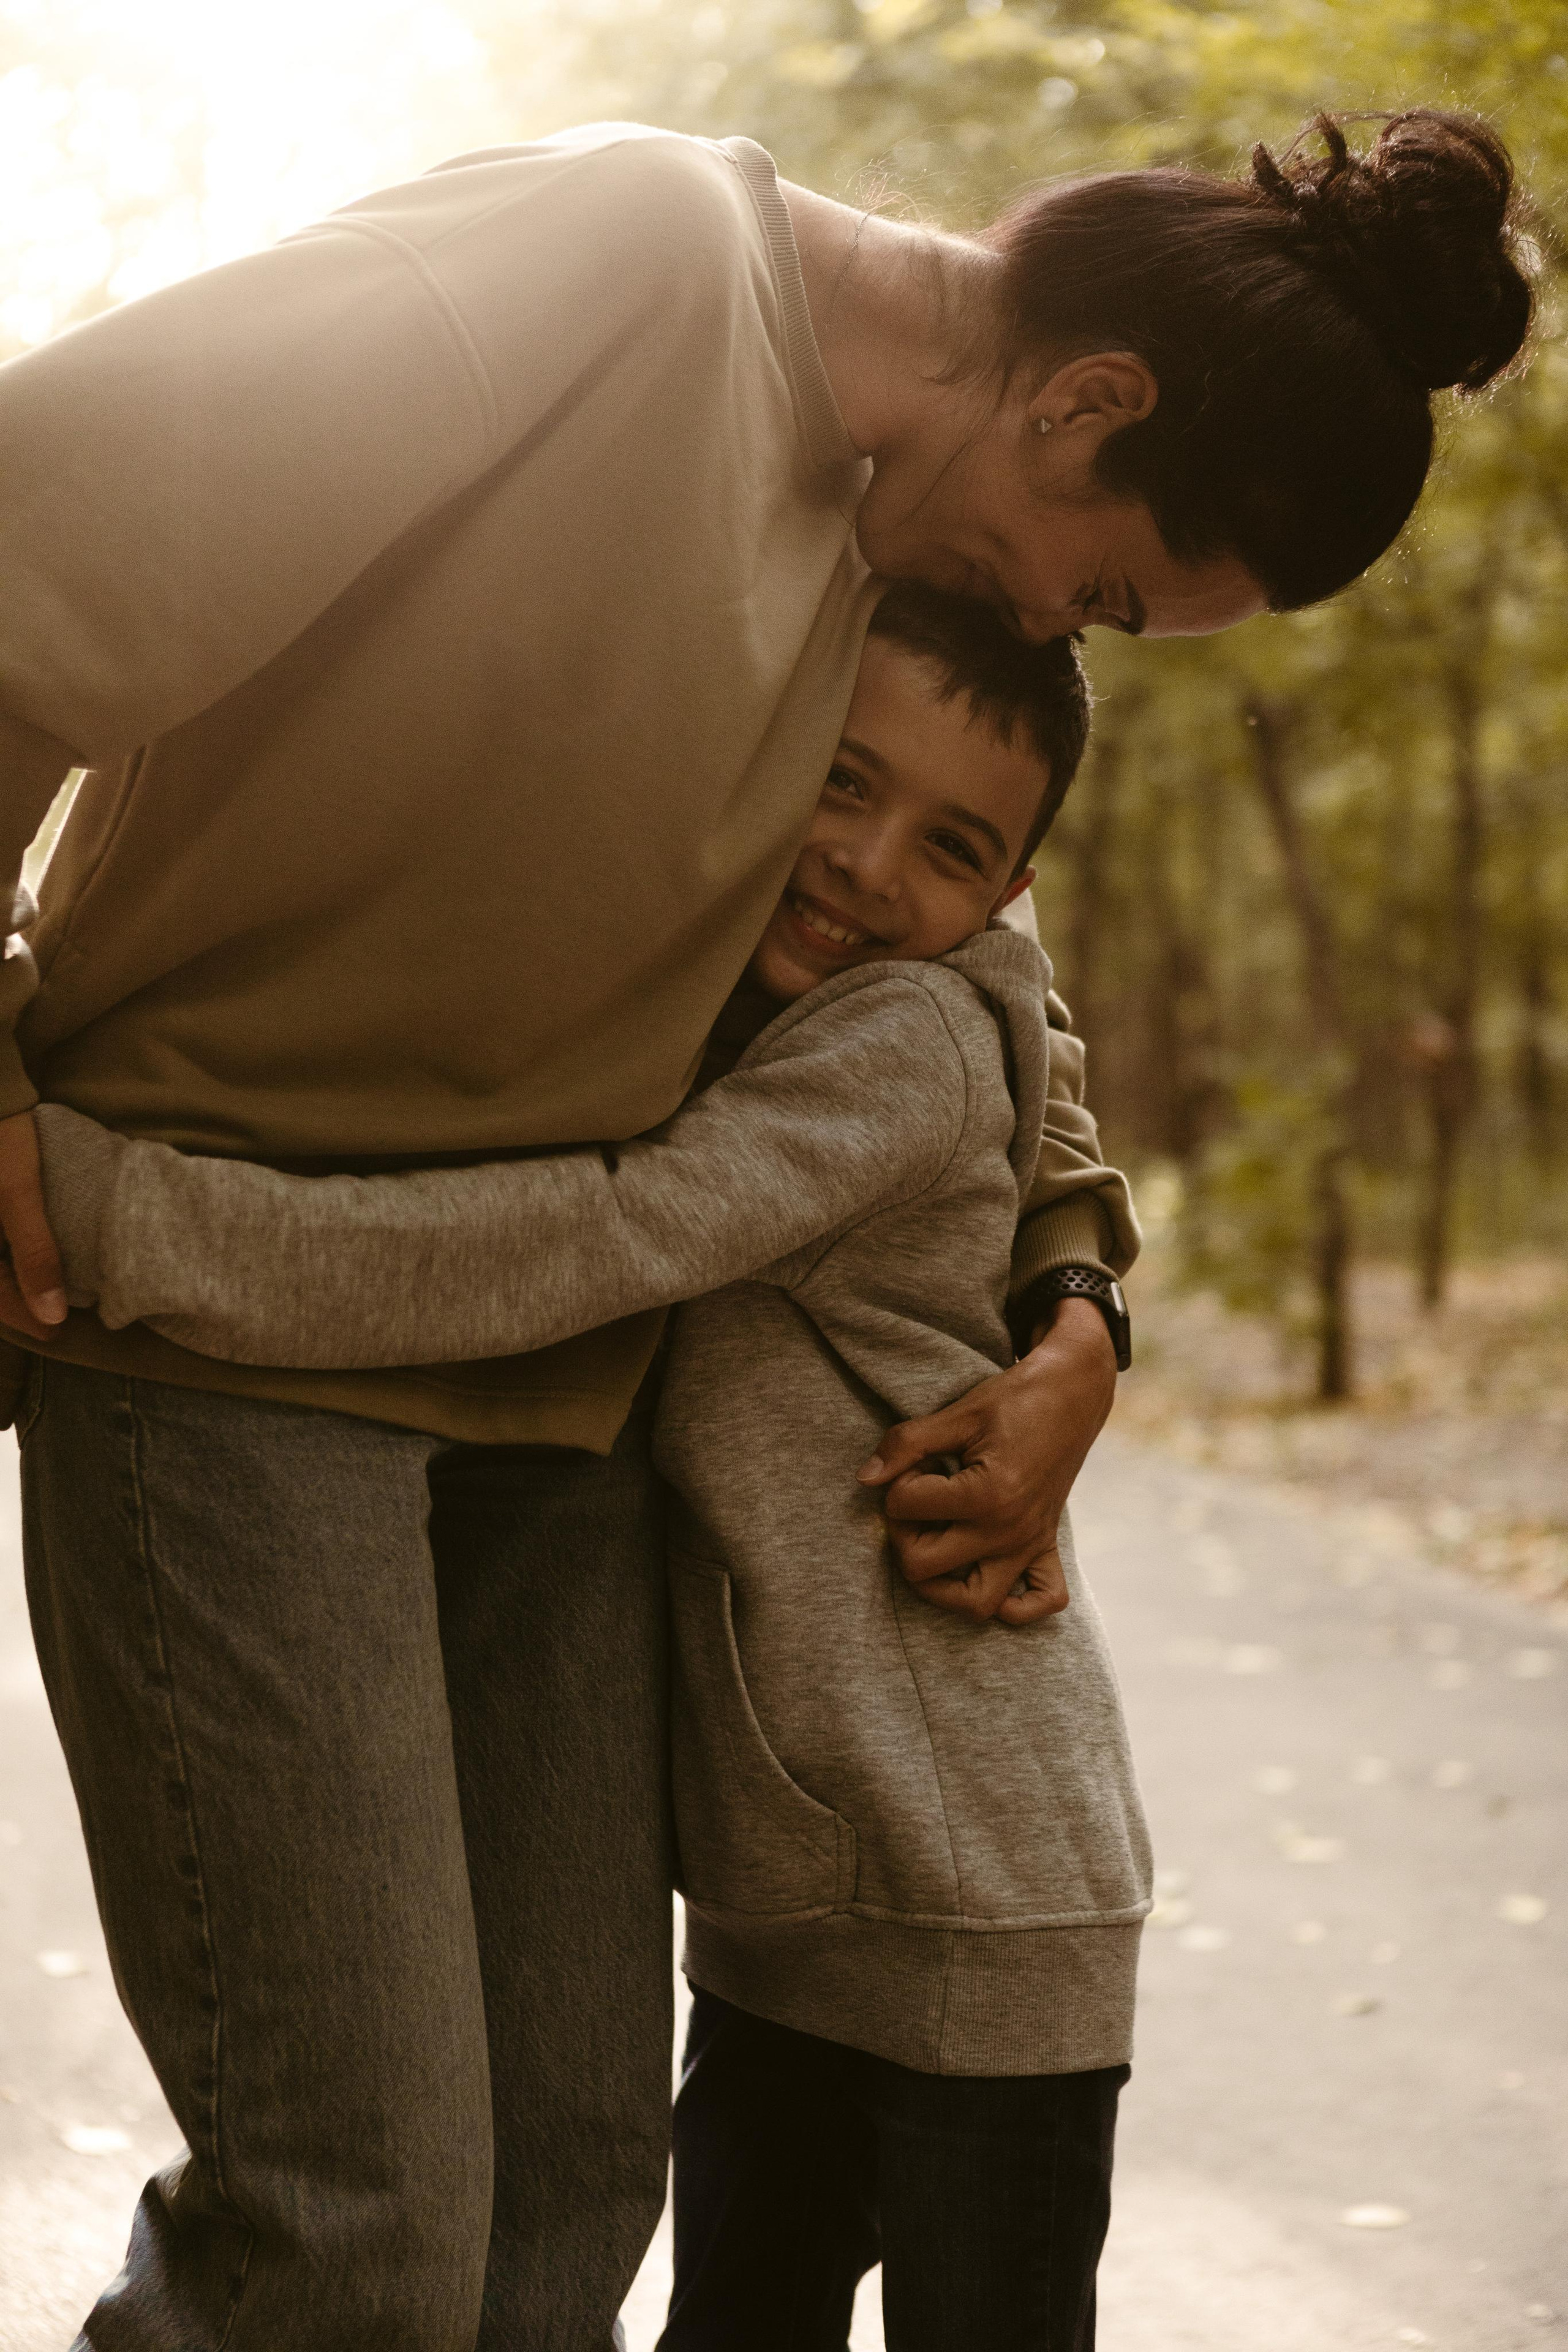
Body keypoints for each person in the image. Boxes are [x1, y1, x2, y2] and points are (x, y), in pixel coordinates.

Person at [0, 105, 1530, 2349]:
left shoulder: (908, 536)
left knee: (569, 2200)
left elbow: (980, 970)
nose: (1058, 628)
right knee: (359, 2246)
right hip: (225, 1340)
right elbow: (32, 542)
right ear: (1092, 399)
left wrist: (1079, 1305)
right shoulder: (614, 261)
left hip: (562, 1427)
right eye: (1101, 586)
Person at [35, 582, 1145, 2352]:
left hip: (958, 1886)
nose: (864, 866)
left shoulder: (895, 1036)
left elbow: (597, 1240)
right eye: (841, 785)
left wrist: (119, 1216)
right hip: (815, 1880)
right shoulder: (782, 946)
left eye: (944, 843)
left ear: (1000, 893)